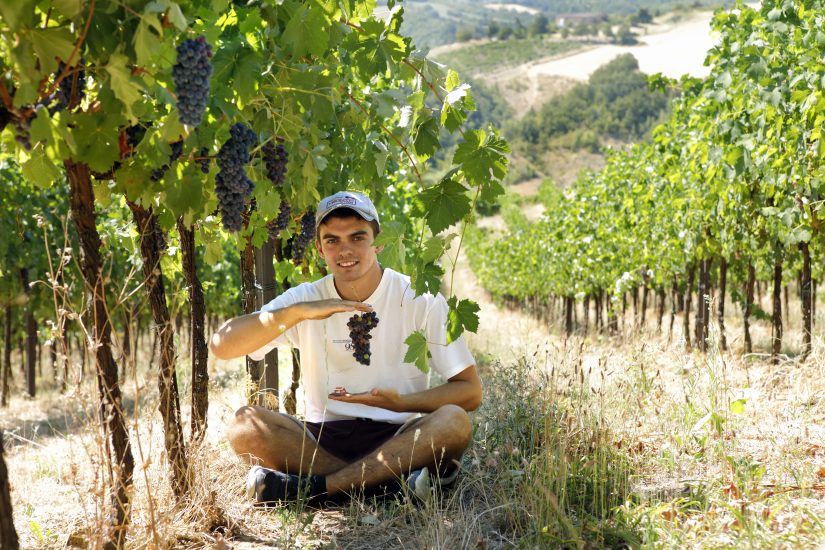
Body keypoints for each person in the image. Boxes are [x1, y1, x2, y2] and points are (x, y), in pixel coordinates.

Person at [209, 190, 482, 504]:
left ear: (377, 242)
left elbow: (470, 392)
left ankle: (315, 490)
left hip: (398, 438)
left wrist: (401, 403)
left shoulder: (420, 299)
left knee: (454, 422)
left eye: (357, 237)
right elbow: (222, 345)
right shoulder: (305, 298)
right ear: (319, 248)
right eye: (332, 240)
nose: (345, 250)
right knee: (244, 424)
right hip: (320, 440)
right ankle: (387, 487)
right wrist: (298, 313)